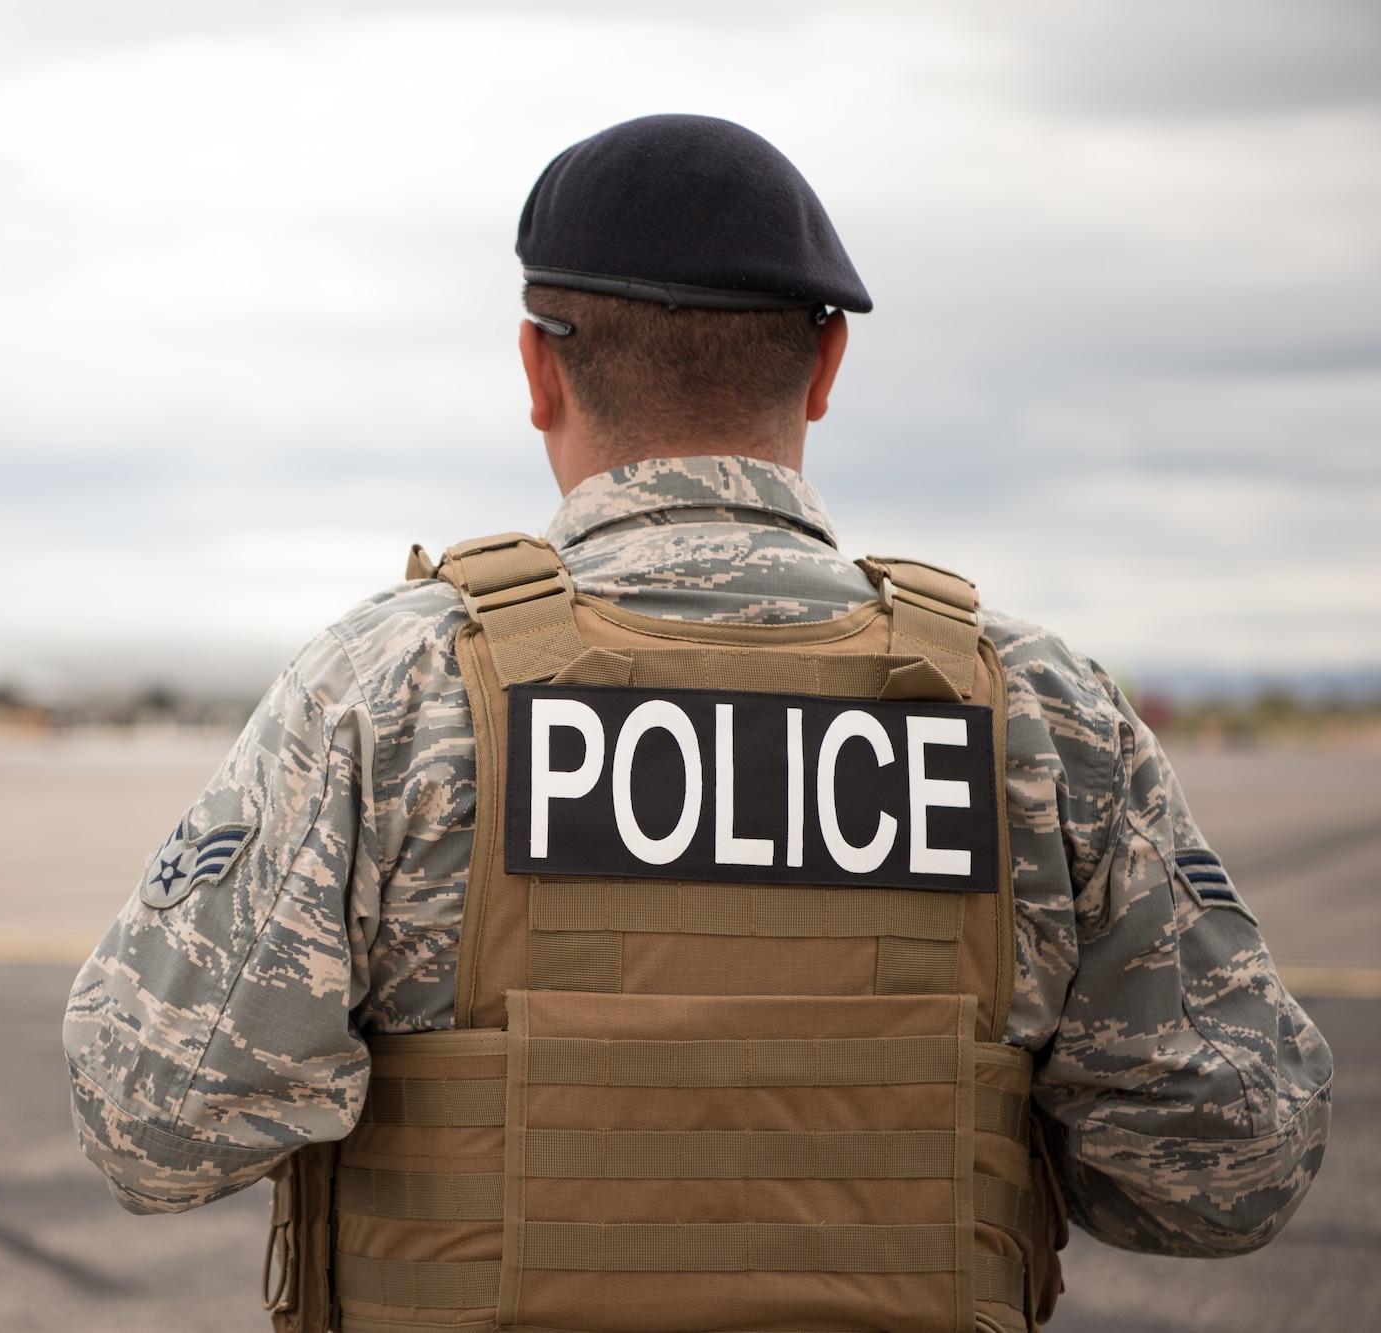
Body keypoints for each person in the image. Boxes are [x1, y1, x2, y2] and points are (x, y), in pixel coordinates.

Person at [64, 115, 1331, 1332]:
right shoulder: (1036, 711)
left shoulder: (390, 687)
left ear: (535, 365)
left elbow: (154, 1117)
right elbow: (1229, 1169)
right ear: (825, 365)